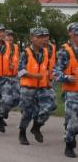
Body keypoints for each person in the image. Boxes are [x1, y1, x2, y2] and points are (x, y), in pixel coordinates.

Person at [18, 27, 57, 145]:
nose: (41, 40)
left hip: (43, 87)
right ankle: (22, 133)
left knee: (50, 106)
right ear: (31, 38)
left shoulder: (46, 52)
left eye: (42, 37)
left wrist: (50, 79)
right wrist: (33, 76)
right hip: (28, 88)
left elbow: (49, 68)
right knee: (27, 113)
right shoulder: (25, 53)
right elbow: (19, 71)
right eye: (38, 37)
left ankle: (36, 126)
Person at [53, 22, 78, 158]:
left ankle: (71, 133)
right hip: (72, 91)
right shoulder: (64, 51)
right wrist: (66, 77)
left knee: (73, 121)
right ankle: (69, 145)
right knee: (74, 121)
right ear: (71, 34)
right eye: (76, 34)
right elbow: (56, 72)